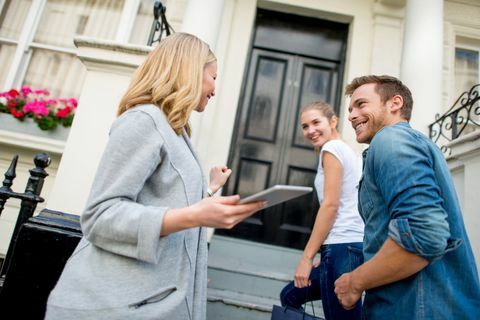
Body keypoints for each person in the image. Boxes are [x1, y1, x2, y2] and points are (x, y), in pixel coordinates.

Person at [45, 32, 265, 319]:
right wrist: (196, 216)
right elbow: (100, 215)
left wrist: (208, 191)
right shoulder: (143, 121)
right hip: (115, 307)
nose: (214, 89)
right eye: (213, 76)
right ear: (188, 71)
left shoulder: (175, 130)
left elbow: (161, 201)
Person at [334, 75, 480, 319]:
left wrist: (355, 282)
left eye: (361, 104)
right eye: (350, 109)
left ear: (394, 103)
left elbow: (424, 234)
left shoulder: (391, 139)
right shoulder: (411, 143)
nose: (350, 115)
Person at [279, 101, 364, 320]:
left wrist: (306, 258)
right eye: (305, 126)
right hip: (345, 246)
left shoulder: (331, 149)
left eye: (316, 122)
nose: (310, 130)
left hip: (342, 246)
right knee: (290, 296)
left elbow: (331, 205)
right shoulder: (349, 151)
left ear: (333, 120)